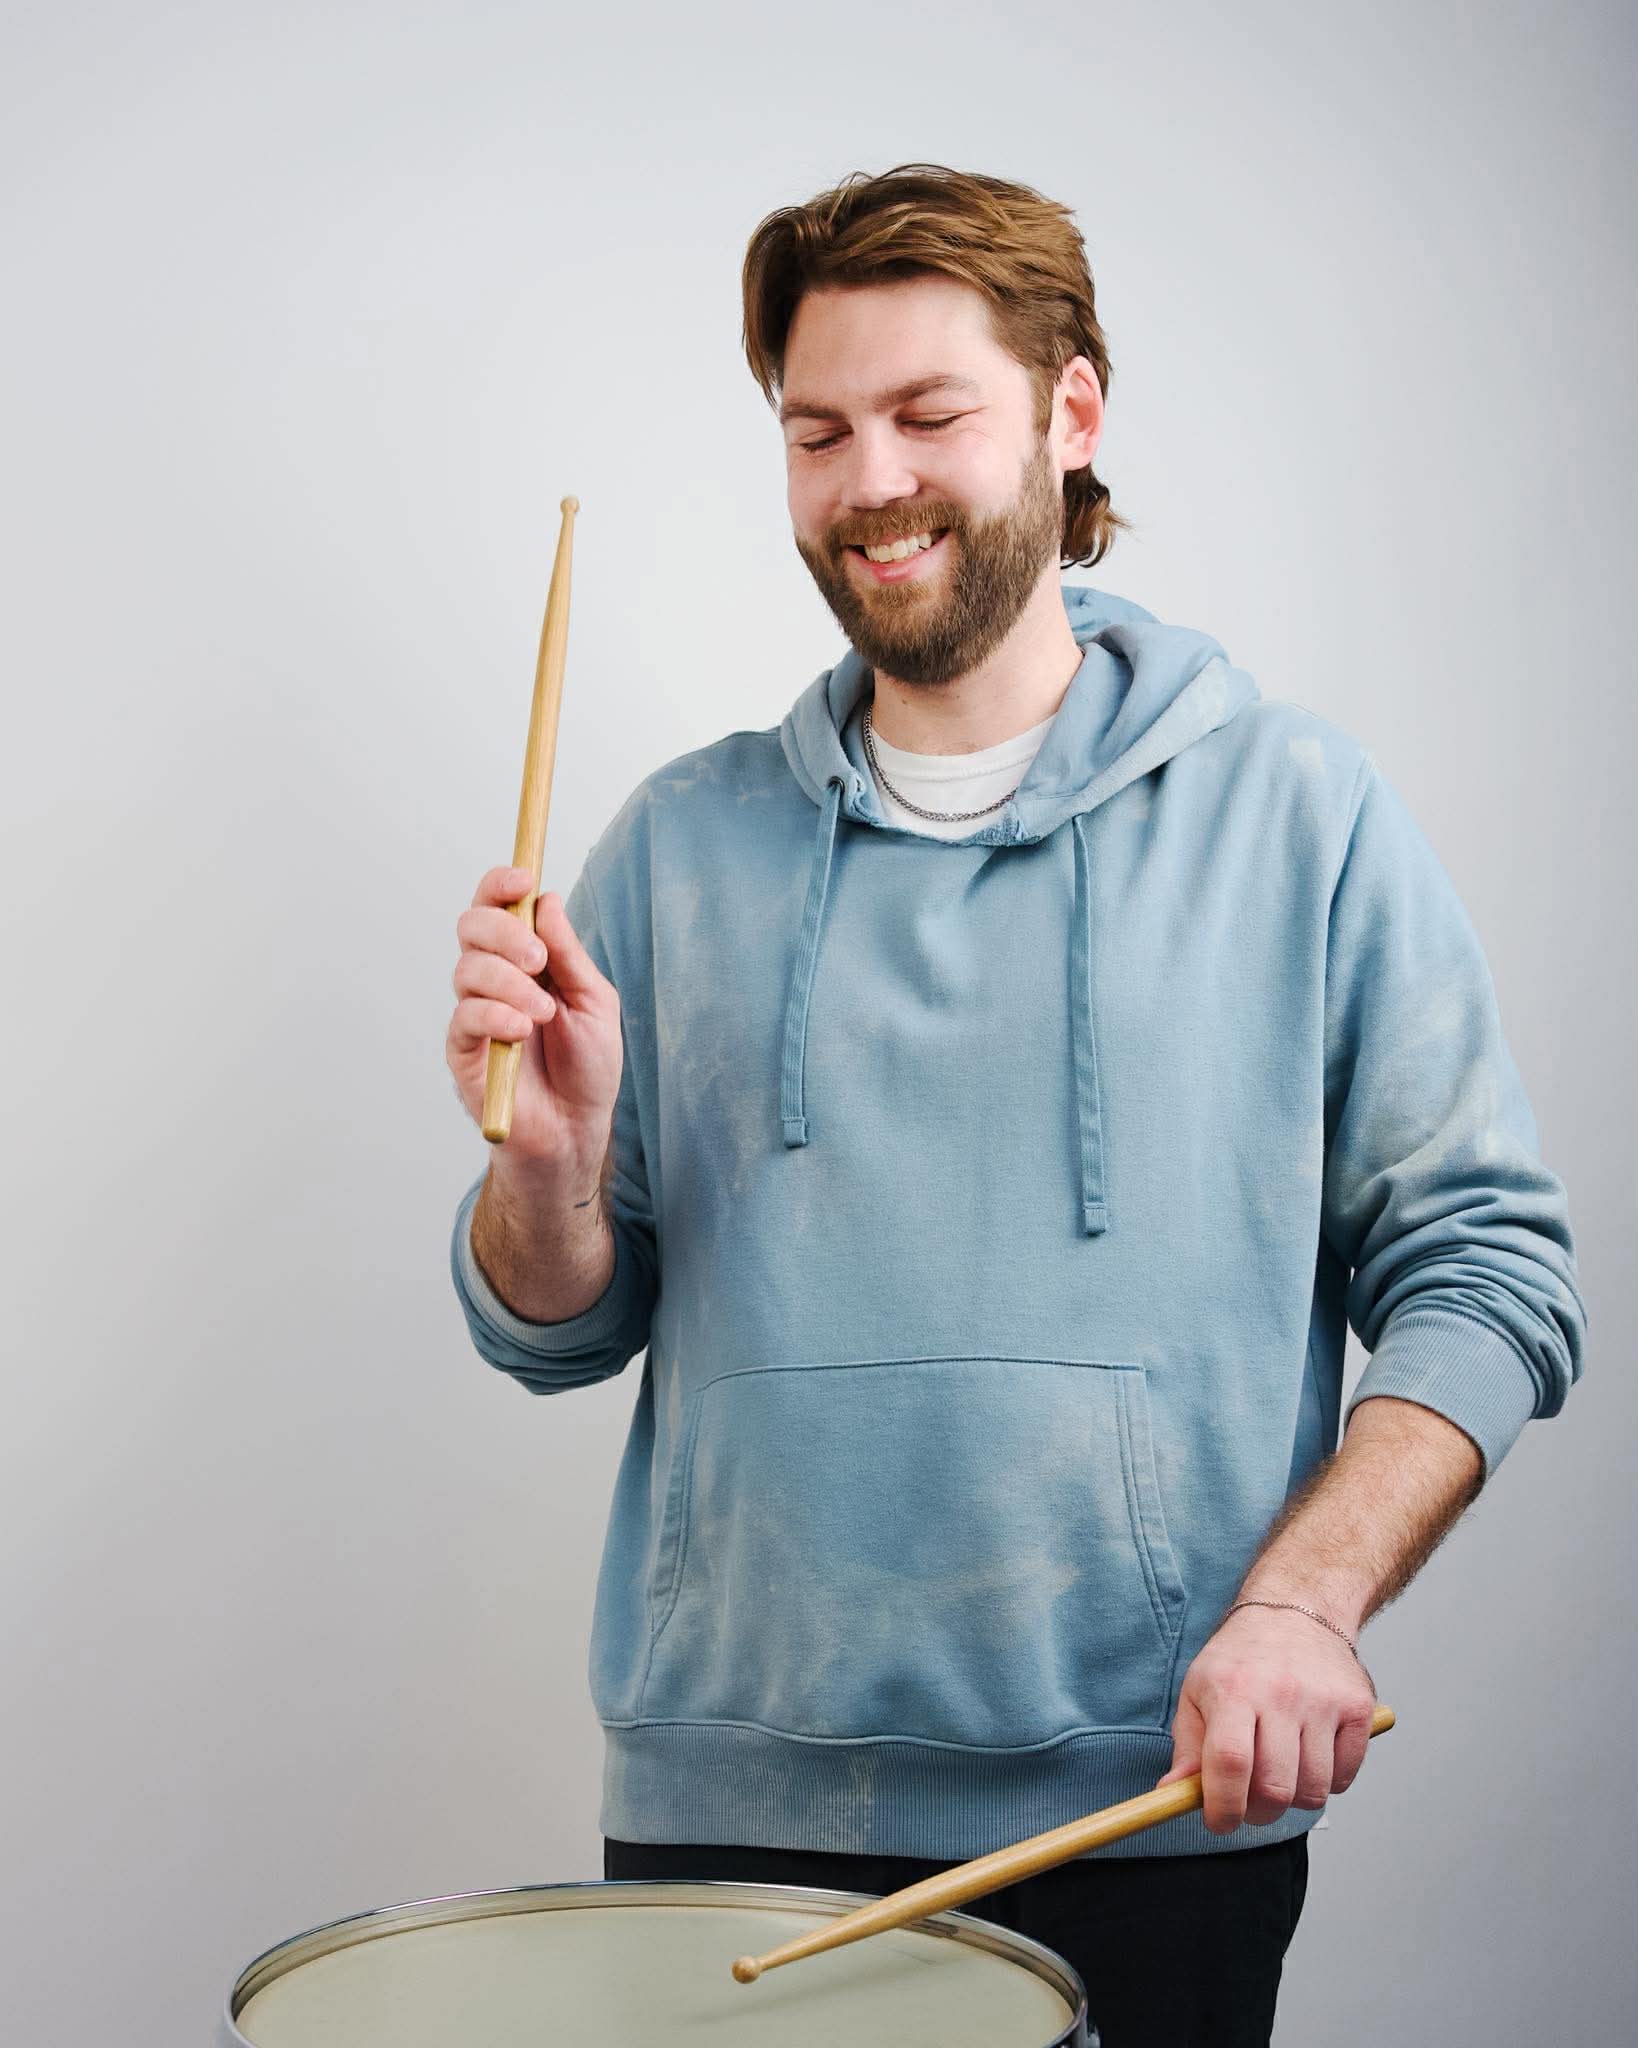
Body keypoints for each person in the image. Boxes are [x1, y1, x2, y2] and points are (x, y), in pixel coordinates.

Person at [443, 163, 1587, 2046]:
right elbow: (552, 1326)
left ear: (1071, 413)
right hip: (723, 1817)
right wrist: (547, 1173)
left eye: (928, 414)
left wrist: (1301, 1605)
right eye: (818, 431)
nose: (869, 481)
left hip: (1143, 1813)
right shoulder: (675, 844)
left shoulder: (1296, 814)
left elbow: (1489, 1270)